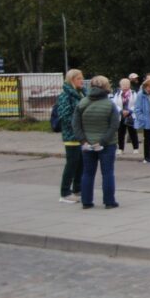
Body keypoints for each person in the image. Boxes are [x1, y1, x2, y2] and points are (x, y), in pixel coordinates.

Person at [72, 75, 121, 209]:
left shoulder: (82, 102)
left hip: (87, 144)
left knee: (87, 173)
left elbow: (75, 125)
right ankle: (109, 202)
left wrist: (83, 141)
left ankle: (86, 202)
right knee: (108, 173)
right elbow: (114, 125)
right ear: (106, 87)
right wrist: (103, 141)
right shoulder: (110, 104)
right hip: (107, 144)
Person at [55, 69, 86, 203]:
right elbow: (64, 116)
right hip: (71, 135)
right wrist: (79, 121)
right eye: (79, 78)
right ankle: (65, 192)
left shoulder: (82, 93)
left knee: (81, 163)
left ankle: (77, 189)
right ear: (72, 80)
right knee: (72, 163)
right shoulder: (65, 96)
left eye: (82, 78)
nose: (82, 81)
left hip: (82, 135)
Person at [113, 77, 139, 154]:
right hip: (121, 115)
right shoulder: (117, 94)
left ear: (129, 85)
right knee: (121, 133)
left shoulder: (134, 93)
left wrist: (130, 111)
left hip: (131, 115)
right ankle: (120, 149)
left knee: (133, 132)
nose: (125, 86)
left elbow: (136, 104)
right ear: (120, 85)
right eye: (123, 84)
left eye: (127, 84)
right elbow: (114, 104)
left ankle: (135, 148)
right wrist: (121, 111)